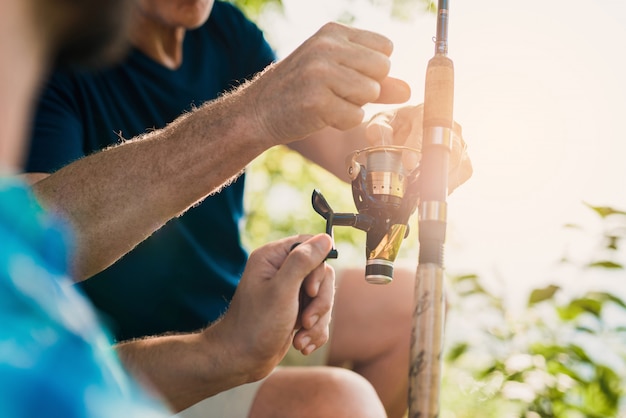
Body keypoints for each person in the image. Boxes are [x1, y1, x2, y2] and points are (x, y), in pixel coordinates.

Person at [25, 1, 471, 417]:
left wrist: (401, 147)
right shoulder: (53, 45)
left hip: (233, 315)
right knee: (338, 402)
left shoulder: (226, 29)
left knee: (410, 303)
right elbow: (32, 239)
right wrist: (254, 113)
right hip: (122, 361)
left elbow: (347, 147)